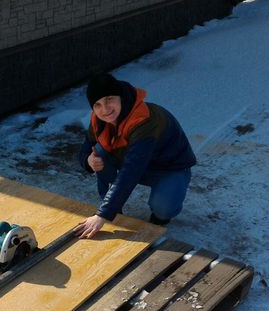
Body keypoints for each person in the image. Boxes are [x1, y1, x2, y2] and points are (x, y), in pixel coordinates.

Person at [73, 73, 196, 239]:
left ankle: (159, 216)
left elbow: (131, 171)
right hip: (133, 163)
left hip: (168, 168)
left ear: (121, 97)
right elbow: (86, 146)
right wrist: (88, 160)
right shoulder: (99, 119)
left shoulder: (145, 121)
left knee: (164, 208)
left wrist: (102, 215)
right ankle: (113, 207)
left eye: (109, 99)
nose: (105, 109)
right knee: (98, 153)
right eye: (98, 104)